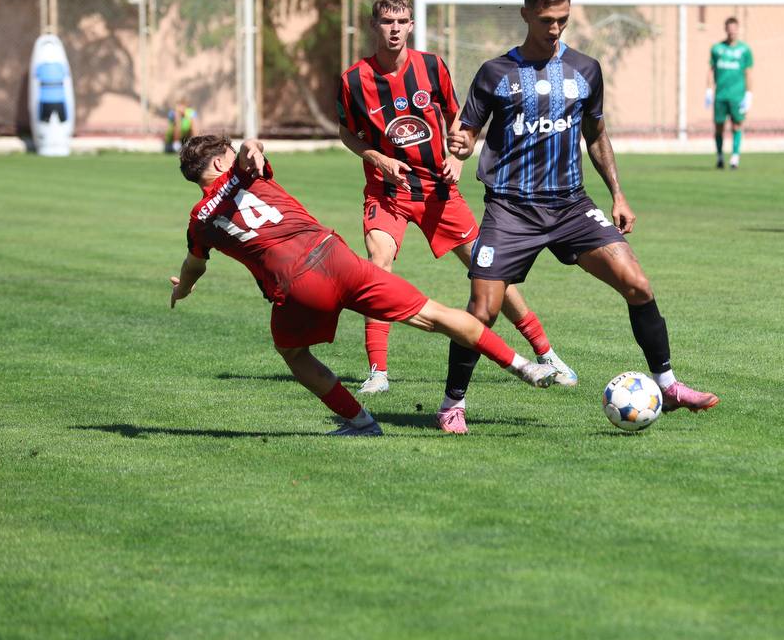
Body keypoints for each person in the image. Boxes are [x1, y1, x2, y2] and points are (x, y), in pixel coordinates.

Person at [441, 0, 719, 434]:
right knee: (482, 309)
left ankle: (668, 386)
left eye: (563, 19)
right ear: (526, 14)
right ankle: (452, 403)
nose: (555, 29)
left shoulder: (585, 69)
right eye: (546, 20)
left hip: (571, 206)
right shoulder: (495, 73)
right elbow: (467, 132)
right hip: (511, 208)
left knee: (637, 284)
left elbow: (596, 134)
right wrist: (462, 143)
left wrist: (618, 194)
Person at [168, 134, 560, 437]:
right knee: (434, 314)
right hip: (336, 256)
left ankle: (360, 422)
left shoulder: (198, 221)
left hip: (298, 286)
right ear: (220, 162)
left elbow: (193, 265)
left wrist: (182, 289)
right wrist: (252, 147)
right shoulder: (244, 173)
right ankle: (524, 366)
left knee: (293, 353)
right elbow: (250, 150)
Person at [336, 0, 577, 398]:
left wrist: (457, 157)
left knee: (490, 272)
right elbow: (347, 132)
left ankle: (545, 352)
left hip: (438, 191)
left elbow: (460, 121)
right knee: (378, 268)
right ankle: (378, 372)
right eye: (387, 22)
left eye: (401, 22)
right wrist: (375, 156)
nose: (394, 29)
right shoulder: (353, 80)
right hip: (387, 192)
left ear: (411, 25)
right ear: (374, 25)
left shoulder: (431, 67)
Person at [705, 16, 753, 169]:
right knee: (719, 126)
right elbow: (710, 70)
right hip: (720, 95)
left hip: (737, 95)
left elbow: (748, 73)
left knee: (737, 126)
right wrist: (708, 90)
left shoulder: (744, 50)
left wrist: (749, 94)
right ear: (725, 29)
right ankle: (720, 156)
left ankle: (735, 158)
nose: (732, 32)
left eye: (734, 29)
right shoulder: (717, 49)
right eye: (729, 29)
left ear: (738, 30)